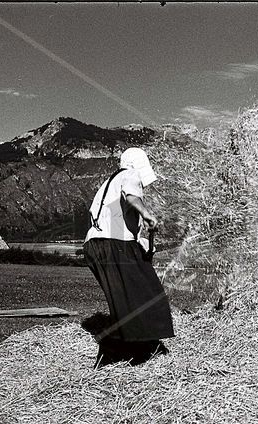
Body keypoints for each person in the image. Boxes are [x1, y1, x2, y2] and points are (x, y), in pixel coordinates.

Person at [83, 147, 175, 368]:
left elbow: (115, 224)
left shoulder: (108, 184)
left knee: (125, 300)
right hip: (113, 245)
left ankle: (125, 351)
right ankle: (131, 350)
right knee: (149, 294)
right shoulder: (130, 174)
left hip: (97, 245)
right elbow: (132, 196)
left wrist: (140, 244)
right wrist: (147, 214)